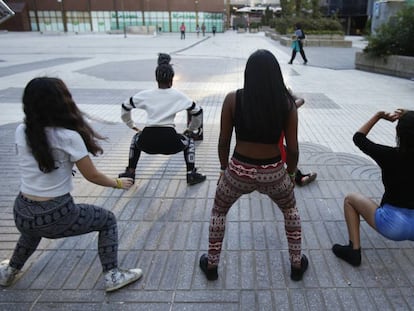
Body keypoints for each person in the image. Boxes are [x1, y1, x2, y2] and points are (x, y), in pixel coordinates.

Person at [0, 77, 142, 292]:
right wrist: (117, 183)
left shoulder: (22, 130)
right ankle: (112, 275)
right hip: (58, 214)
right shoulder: (68, 136)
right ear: (62, 103)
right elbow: (91, 176)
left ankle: (10, 271)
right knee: (107, 220)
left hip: (22, 211)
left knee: (32, 230)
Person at [199, 49, 308, 282]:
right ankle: (297, 264)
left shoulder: (233, 99)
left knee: (219, 210)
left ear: (248, 73)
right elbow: (294, 148)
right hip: (274, 173)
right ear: (276, 75)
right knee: (290, 211)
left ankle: (211, 264)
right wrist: (289, 174)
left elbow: (223, 141)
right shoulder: (287, 104)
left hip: (238, 171)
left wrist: (222, 169)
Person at [332, 109, 414, 267]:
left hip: (393, 225)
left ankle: (353, 251)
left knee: (350, 199)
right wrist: (410, 114)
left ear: (399, 134)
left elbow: (358, 138)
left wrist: (378, 116)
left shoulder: (388, 155)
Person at [118, 53, 206, 186]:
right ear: (172, 79)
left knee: (136, 138)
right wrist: (190, 129)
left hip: (147, 142)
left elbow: (125, 106)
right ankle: (191, 174)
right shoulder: (179, 96)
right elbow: (198, 112)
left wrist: (131, 125)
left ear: (156, 79)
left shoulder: (145, 95)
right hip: (171, 142)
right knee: (189, 141)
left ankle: (130, 172)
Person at [279, 90, 317, 186]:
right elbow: (301, 100)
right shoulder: (285, 108)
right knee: (284, 149)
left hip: (249, 158)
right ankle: (298, 176)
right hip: (275, 156)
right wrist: (288, 92)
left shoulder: (245, 102)